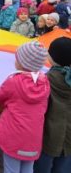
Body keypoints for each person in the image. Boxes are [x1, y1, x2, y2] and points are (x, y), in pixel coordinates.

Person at [0, 41, 50, 173]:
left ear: (22, 63)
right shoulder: (45, 82)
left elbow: (0, 96)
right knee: (28, 168)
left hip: (13, 136)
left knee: (11, 169)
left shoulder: (13, 81)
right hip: (33, 138)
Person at [34, 37, 71, 173]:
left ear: (53, 57)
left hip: (48, 134)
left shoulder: (46, 79)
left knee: (42, 166)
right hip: (69, 136)